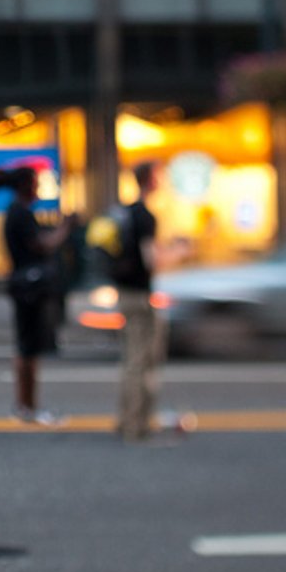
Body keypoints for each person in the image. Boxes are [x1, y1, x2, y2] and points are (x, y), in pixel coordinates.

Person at [2, 165, 74, 428]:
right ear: (25, 186)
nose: (38, 188)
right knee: (27, 348)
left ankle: (26, 406)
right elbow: (42, 244)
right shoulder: (20, 213)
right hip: (28, 290)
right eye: (34, 183)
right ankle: (26, 406)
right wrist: (65, 229)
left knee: (28, 349)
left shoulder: (19, 211)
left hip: (25, 287)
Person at [112, 161, 174, 444]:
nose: (161, 180)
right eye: (158, 175)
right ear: (149, 180)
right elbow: (151, 261)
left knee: (130, 360)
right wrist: (180, 253)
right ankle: (136, 426)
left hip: (124, 292)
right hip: (139, 294)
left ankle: (126, 420)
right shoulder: (145, 216)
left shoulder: (125, 212)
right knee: (141, 361)